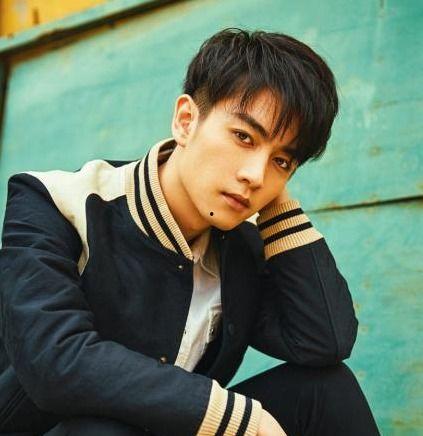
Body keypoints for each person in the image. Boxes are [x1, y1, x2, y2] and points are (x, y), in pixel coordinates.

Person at [0, 28, 380, 435]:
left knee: (326, 390)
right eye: (244, 137)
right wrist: (233, 415)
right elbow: (54, 362)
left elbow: (324, 341)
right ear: (186, 121)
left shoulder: (241, 245)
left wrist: (277, 204)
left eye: (282, 161)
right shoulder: (56, 202)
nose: (255, 175)